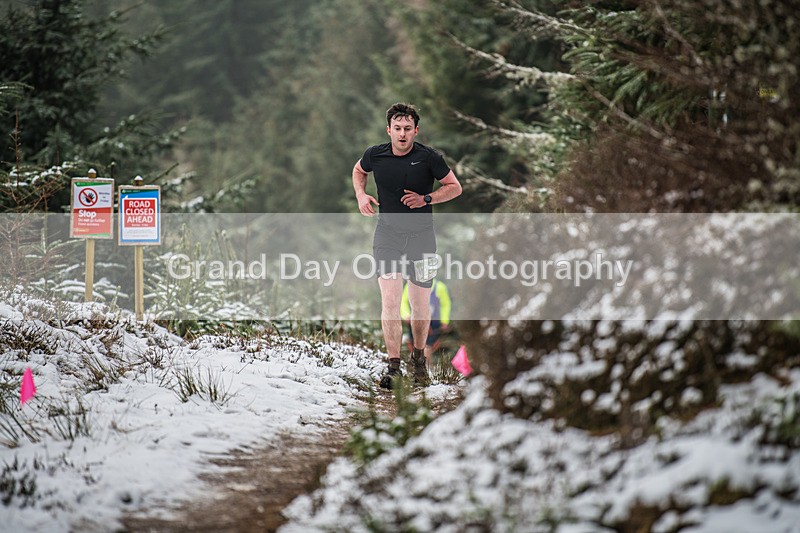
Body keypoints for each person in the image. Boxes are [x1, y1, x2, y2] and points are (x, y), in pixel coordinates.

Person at [353, 103, 462, 388]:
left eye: (407, 129)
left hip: (423, 238)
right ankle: (393, 366)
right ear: (389, 130)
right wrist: (361, 195)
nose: (402, 134)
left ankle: (418, 360)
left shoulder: (429, 157)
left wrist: (427, 199)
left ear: (416, 130)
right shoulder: (375, 154)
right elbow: (358, 170)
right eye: (397, 129)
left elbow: (455, 187)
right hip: (387, 236)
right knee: (389, 301)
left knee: (419, 306)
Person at [401, 278, 452, 364]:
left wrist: (444, 321)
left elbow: (445, 305)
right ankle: (416, 369)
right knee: (415, 347)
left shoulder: (440, 287)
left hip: (433, 323)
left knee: (427, 347)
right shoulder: (410, 285)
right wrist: (406, 315)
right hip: (414, 321)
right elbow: (403, 302)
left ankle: (425, 369)